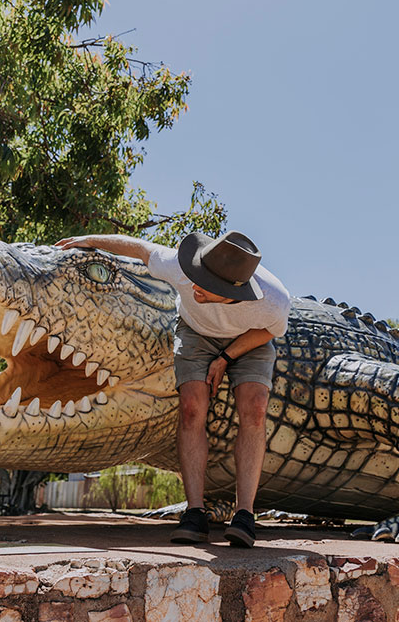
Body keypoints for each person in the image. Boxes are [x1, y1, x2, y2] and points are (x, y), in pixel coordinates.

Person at [57, 231, 290, 548]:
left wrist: (224, 358)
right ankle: (195, 513)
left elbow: (267, 333)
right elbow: (139, 247)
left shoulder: (273, 301)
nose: (194, 286)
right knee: (192, 406)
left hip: (249, 341)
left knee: (256, 407)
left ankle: (245, 515)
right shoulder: (181, 266)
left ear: (234, 291)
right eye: (198, 275)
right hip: (195, 334)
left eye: (207, 285)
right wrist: (88, 240)